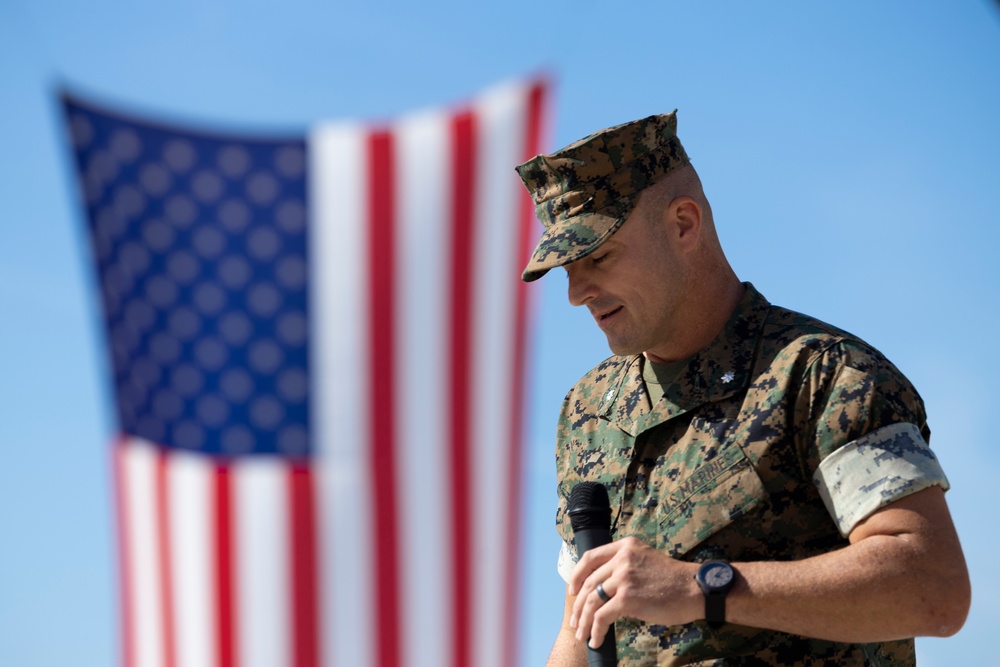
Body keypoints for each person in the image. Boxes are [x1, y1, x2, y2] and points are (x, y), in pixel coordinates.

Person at [515, 111, 970, 666]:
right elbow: (578, 621)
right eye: (566, 269)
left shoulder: (822, 375)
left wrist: (701, 588)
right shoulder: (589, 412)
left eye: (600, 257)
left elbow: (934, 587)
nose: (577, 292)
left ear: (684, 224)